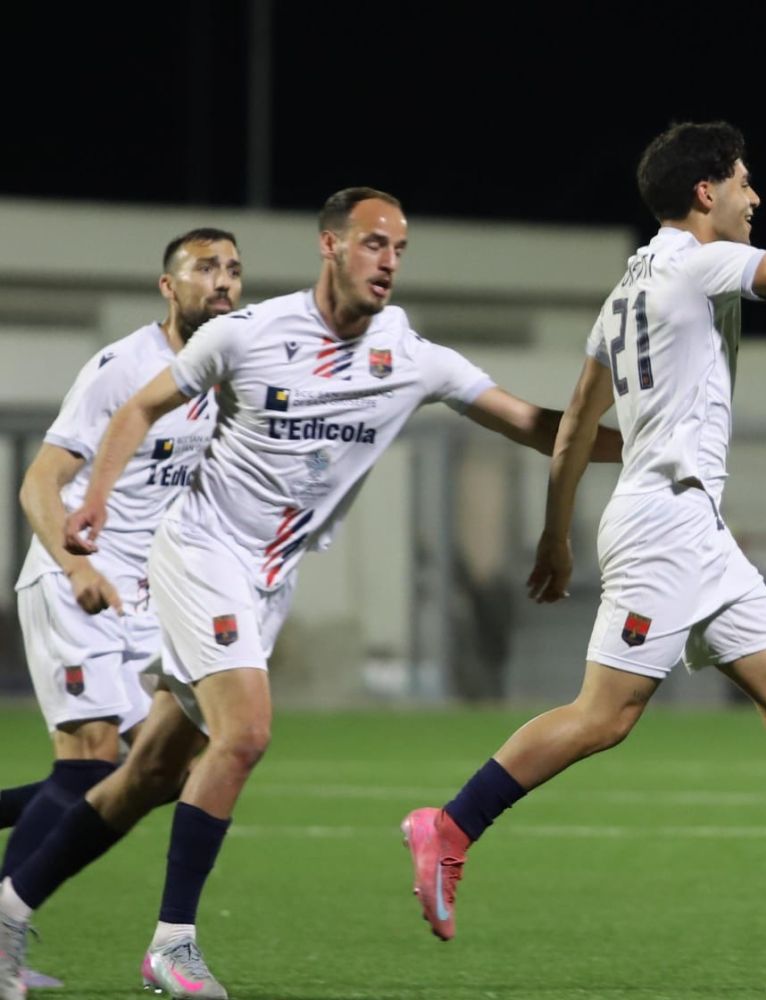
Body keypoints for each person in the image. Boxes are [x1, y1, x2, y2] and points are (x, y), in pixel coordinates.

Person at [0, 187, 622, 1000]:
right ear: (330, 246)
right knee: (244, 734)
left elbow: (532, 423)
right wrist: (97, 502)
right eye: (373, 243)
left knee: (149, 772)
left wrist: (640, 446)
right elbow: (142, 407)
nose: (388, 261)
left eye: (399, 248)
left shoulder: (409, 355)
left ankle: (9, 907)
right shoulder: (250, 333)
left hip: (268, 580)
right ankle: (173, 945)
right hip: (200, 552)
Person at [401, 121, 766, 944]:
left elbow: (574, 425)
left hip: (690, 527)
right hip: (664, 527)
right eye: (745, 182)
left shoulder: (626, 290)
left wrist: (556, 536)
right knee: (604, 715)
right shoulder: (697, 263)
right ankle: (449, 827)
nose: (756, 198)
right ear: (704, 192)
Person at [1, 229, 238, 991]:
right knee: (90, 760)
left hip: (142, 598)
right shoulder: (123, 368)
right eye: (205, 268)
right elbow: (39, 481)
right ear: (169, 287)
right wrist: (76, 565)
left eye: (234, 269)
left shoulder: (224, 376)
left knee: (167, 769)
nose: (223, 281)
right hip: (75, 580)